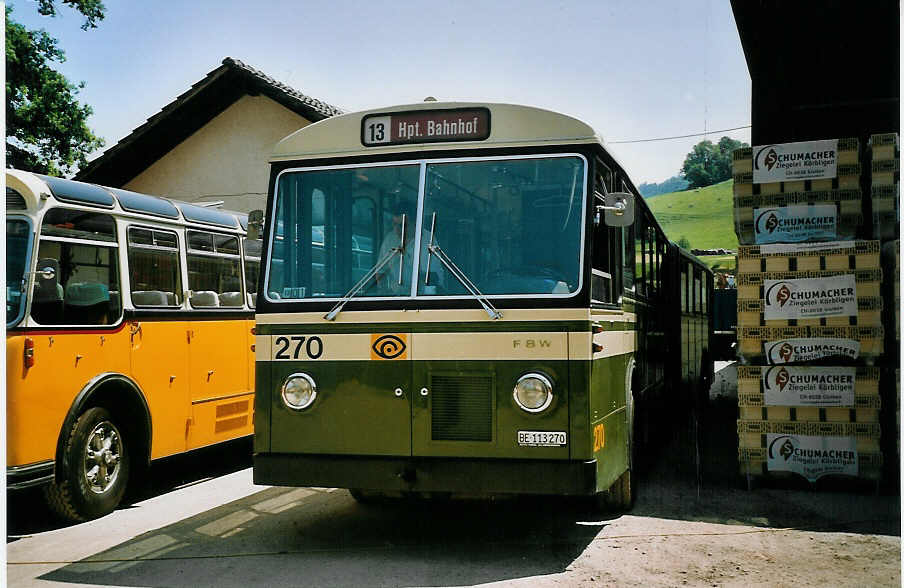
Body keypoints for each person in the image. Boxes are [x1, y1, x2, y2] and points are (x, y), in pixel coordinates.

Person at [373, 201, 416, 295]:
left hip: (423, 299)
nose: (396, 229)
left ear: (414, 223)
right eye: (394, 224)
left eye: (402, 225)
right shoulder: (390, 239)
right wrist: (383, 291)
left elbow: (433, 277)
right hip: (394, 299)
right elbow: (380, 270)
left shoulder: (427, 240)